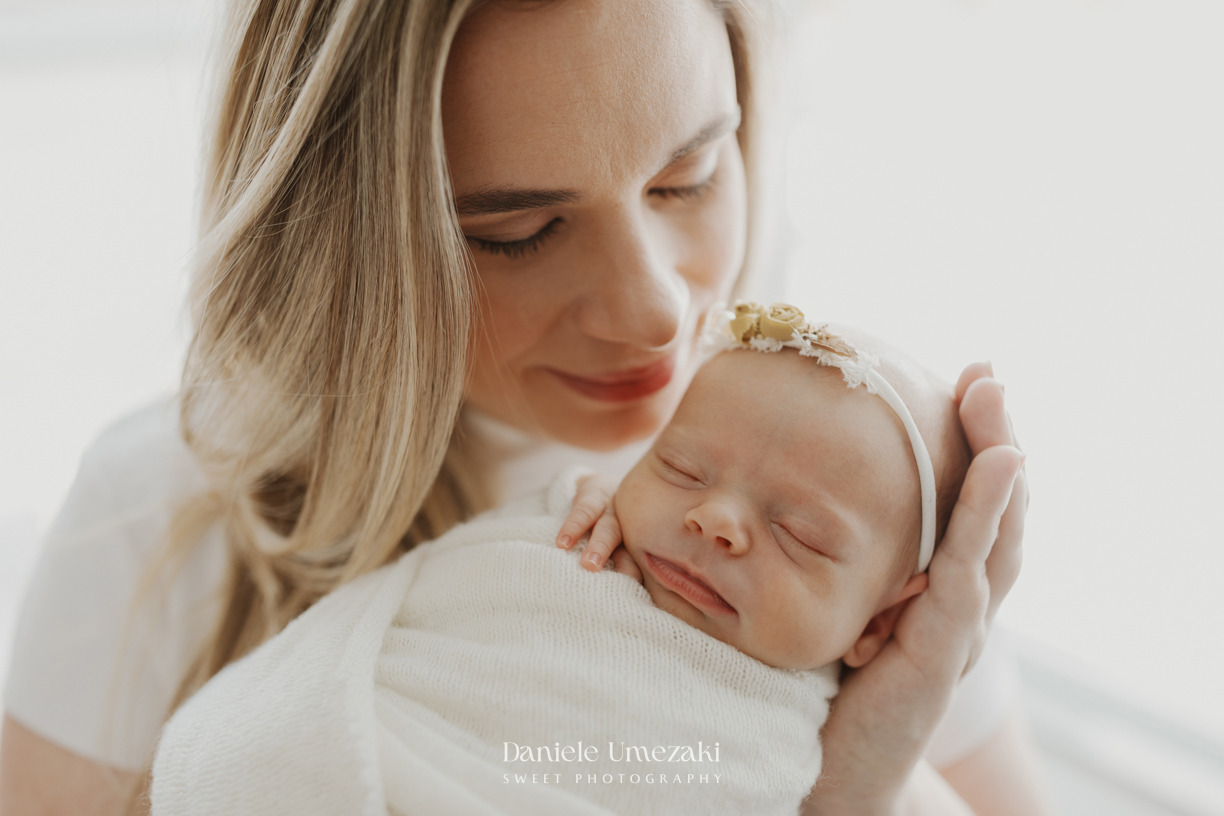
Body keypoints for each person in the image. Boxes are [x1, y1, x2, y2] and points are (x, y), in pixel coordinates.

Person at [0, 1, 1037, 814]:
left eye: (688, 178)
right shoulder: (156, 524)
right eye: (519, 231)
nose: (654, 312)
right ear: (336, 240)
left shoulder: (842, 489)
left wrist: (868, 778)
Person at [149, 312, 976, 816]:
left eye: (800, 533)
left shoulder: (825, 733)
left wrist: (863, 794)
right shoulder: (574, 525)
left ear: (877, 621)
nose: (714, 518)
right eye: (682, 469)